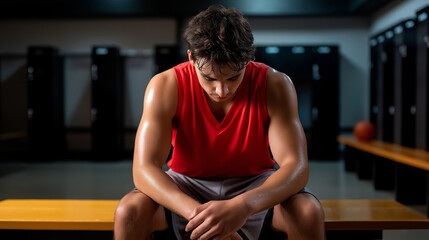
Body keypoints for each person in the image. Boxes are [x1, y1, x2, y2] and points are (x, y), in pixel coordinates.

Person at [114, 4, 325, 240]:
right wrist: (203, 217)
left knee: (309, 211)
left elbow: (296, 167)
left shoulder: (275, 84)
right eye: (209, 78)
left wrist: (243, 206)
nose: (221, 90)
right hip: (186, 186)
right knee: (128, 212)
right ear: (192, 58)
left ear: (248, 59)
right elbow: (144, 169)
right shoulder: (165, 86)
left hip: (253, 185)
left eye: (233, 77)